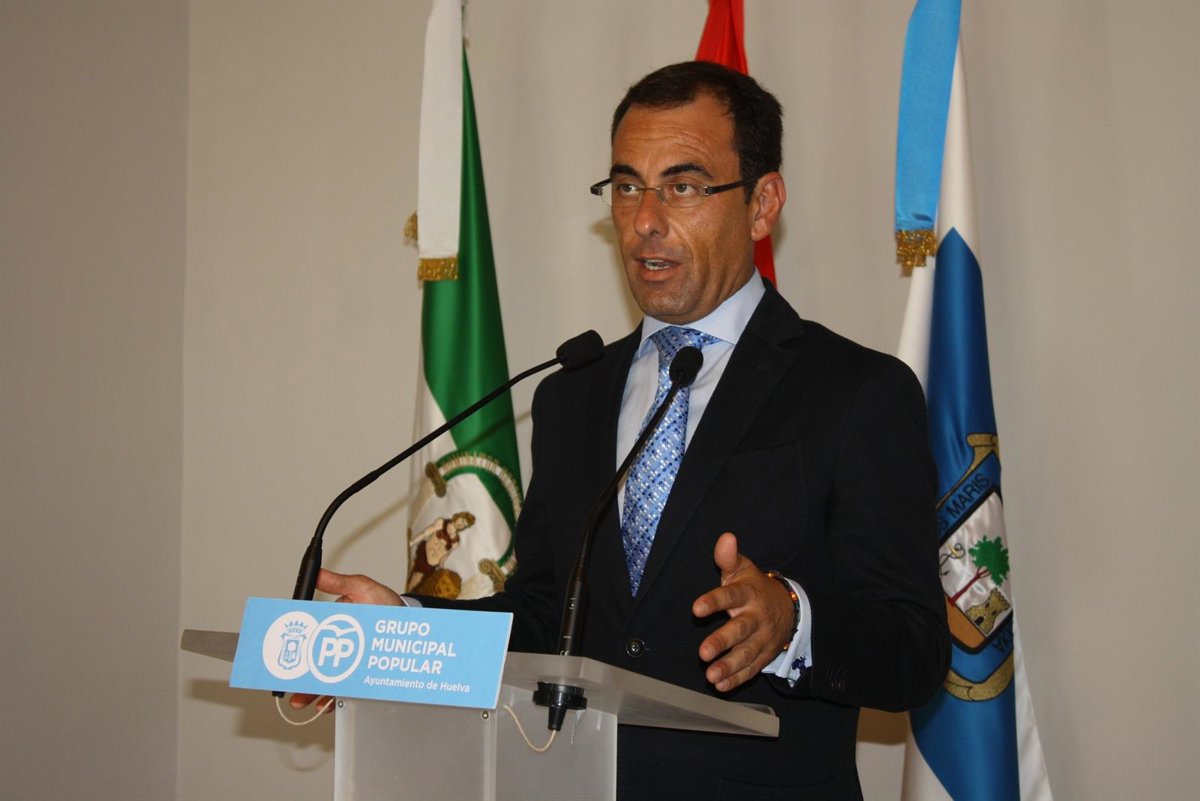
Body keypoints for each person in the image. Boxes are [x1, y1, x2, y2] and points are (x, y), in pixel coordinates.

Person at [297, 61, 949, 800]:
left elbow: (915, 652)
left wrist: (793, 622)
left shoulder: (854, 391)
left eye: (683, 186)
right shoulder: (571, 395)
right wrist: (405, 631)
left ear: (763, 203)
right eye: (627, 186)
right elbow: (546, 620)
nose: (644, 221)